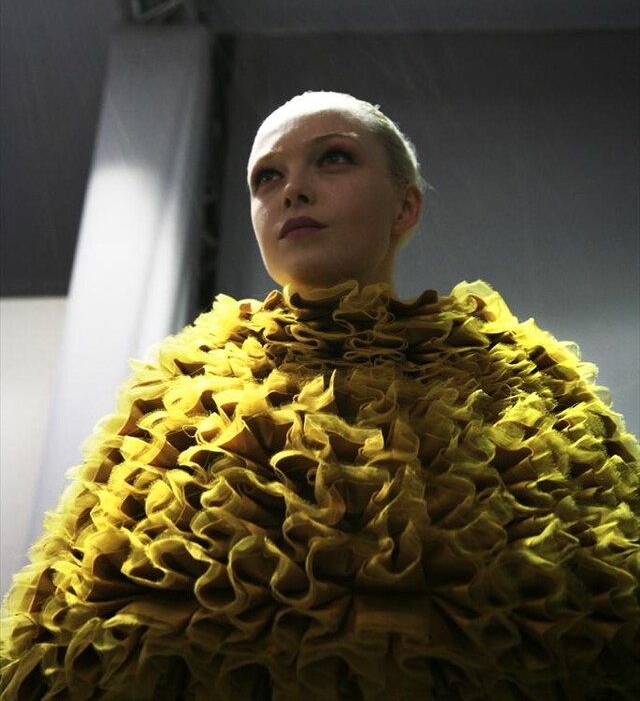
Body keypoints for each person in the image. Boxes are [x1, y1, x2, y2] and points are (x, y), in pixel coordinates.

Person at [1, 90, 638, 700]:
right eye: (266, 178)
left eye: (333, 157)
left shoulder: (521, 376)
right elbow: (80, 639)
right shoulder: (182, 385)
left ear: (405, 207)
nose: (293, 190)